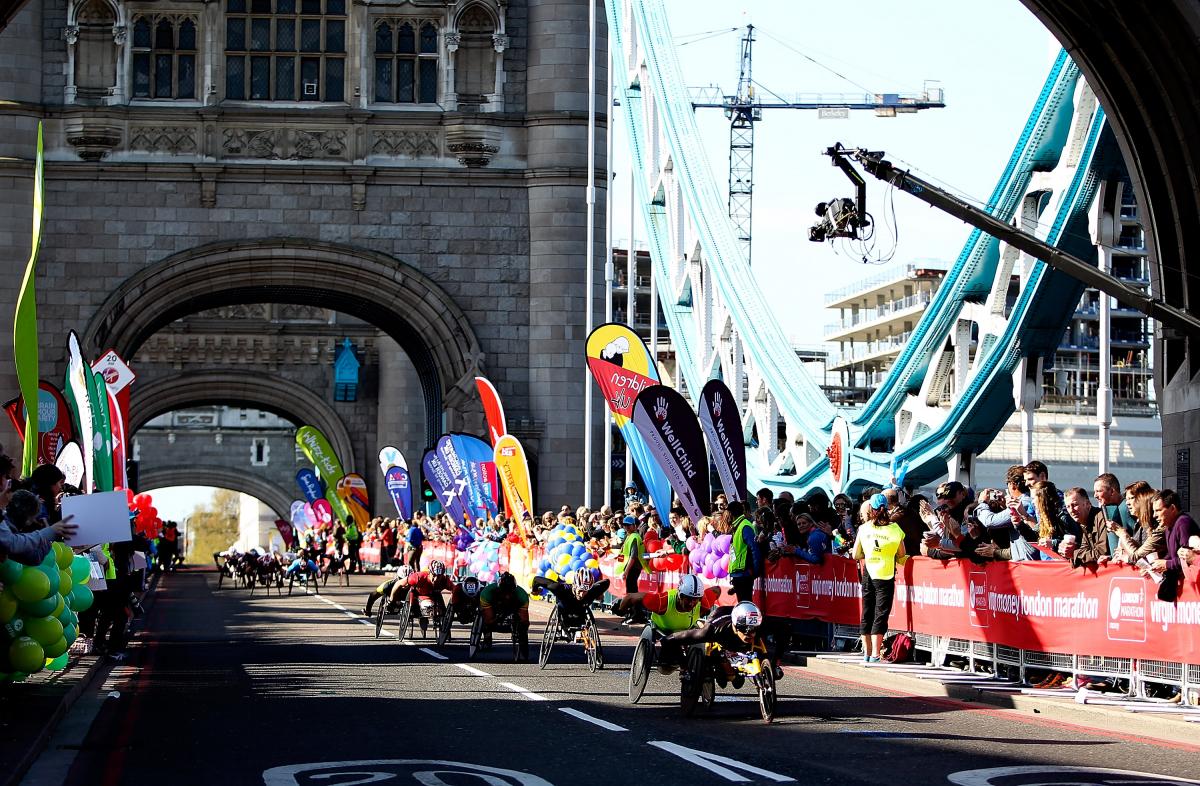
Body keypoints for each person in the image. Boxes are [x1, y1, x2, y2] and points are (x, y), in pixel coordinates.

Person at [660, 601, 765, 689]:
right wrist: (667, 640)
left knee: (737, 682)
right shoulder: (714, 630)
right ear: (736, 626)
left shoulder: (762, 627)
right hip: (719, 617)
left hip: (739, 615)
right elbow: (683, 636)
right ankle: (719, 664)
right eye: (744, 629)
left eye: (753, 629)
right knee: (724, 680)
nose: (750, 633)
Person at [852, 493, 907, 663]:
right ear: (888, 507)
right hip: (886, 573)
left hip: (869, 571)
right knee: (881, 613)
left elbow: (855, 554)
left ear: (871, 509)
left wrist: (869, 553)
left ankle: (867, 653)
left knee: (867, 610)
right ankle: (876, 652)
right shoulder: (895, 529)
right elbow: (902, 554)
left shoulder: (864, 528)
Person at [0, 489, 77, 565]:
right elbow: (34, 557)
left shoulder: (4, 522)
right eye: (33, 517)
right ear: (28, 519)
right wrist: (49, 536)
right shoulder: (8, 532)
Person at [532, 567, 610, 629]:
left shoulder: (591, 591)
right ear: (575, 586)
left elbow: (606, 582)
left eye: (585, 591)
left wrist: (600, 594)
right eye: (580, 591)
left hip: (581, 615)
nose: (582, 594)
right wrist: (535, 590)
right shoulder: (560, 588)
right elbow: (537, 579)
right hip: (564, 614)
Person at [479, 571, 530, 661]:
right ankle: (487, 636)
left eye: (510, 590)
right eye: (504, 591)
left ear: (514, 588)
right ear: (499, 588)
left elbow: (525, 620)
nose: (507, 595)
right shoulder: (487, 592)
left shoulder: (522, 595)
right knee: (487, 621)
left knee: (524, 624)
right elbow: (488, 620)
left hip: (514, 606)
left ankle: (522, 649)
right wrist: (495, 619)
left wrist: (522, 631)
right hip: (494, 607)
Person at [405, 560, 454, 633]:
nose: (436, 578)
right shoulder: (418, 577)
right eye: (434, 575)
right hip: (419, 594)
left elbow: (455, 590)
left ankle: (442, 620)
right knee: (412, 591)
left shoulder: (445, 580)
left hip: (434, 595)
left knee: (440, 599)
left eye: (439, 576)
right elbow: (403, 584)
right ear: (430, 572)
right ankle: (414, 610)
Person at [1064, 487, 1108, 567]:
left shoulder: (1101, 518)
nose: (1071, 510)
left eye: (1075, 505)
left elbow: (1101, 552)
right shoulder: (1084, 522)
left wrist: (1074, 554)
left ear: (1087, 504)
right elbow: (1085, 549)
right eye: (1068, 507)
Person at [727, 500, 762, 603]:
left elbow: (754, 549)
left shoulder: (745, 526)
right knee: (742, 605)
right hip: (739, 574)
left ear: (730, 513)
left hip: (745, 574)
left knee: (746, 604)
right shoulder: (737, 526)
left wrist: (754, 571)